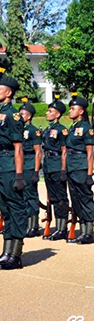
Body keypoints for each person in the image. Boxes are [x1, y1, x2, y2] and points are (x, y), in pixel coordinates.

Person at [0, 65, 27, 270]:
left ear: (8, 93)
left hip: (8, 165)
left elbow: (18, 148)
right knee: (6, 209)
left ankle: (15, 255)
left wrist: (19, 175)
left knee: (15, 208)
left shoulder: (13, 115)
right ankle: (6, 253)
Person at [64, 94, 94, 244]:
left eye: (73, 108)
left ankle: (89, 231)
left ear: (81, 111)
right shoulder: (73, 127)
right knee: (75, 198)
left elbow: (90, 153)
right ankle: (83, 231)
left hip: (81, 166)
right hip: (71, 166)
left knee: (85, 198)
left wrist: (89, 174)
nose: (70, 111)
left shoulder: (86, 128)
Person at [41, 95, 69, 241]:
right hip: (48, 165)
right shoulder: (47, 129)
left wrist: (64, 170)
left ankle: (62, 228)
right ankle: (58, 227)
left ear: (57, 114)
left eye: (50, 111)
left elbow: (64, 150)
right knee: (53, 197)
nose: (47, 113)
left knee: (61, 197)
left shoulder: (61, 129)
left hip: (57, 165)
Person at [19, 98, 42, 238]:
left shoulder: (33, 131)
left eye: (23, 113)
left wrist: (35, 171)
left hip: (29, 163)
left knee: (30, 195)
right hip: (21, 164)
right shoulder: (18, 129)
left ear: (29, 116)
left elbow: (38, 151)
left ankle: (33, 226)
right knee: (22, 195)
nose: (20, 116)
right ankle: (26, 223)